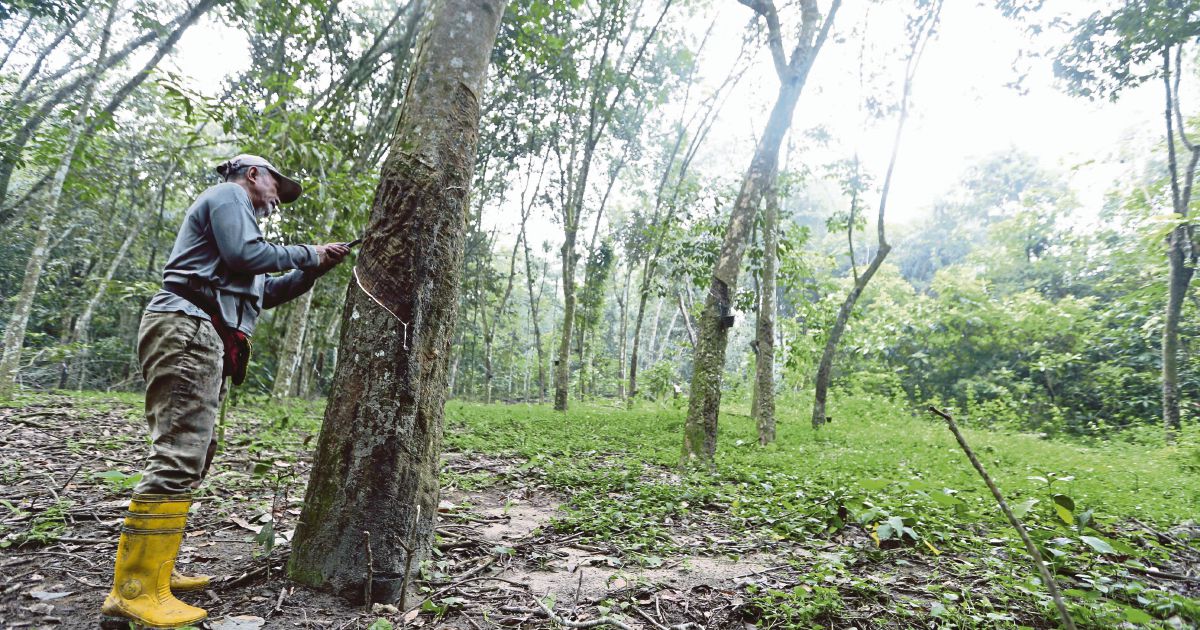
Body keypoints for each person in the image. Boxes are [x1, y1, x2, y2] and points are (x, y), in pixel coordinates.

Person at [100, 155, 350, 628]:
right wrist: (306, 251)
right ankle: (133, 591)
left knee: (195, 451)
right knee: (179, 451)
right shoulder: (229, 197)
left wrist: (313, 268)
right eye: (277, 185)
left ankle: (156, 574)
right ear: (253, 175)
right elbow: (246, 257)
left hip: (204, 332)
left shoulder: (241, 233)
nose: (278, 198)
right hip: (188, 325)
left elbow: (264, 290)